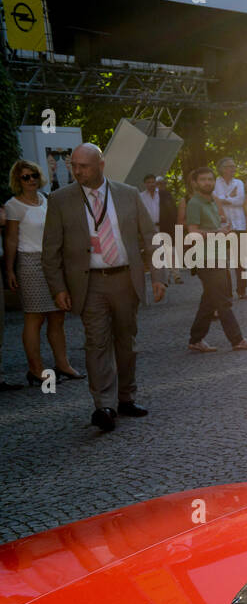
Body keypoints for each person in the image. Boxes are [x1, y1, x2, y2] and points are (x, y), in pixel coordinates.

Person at [40, 143, 166, 432]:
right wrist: (58, 287)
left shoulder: (128, 194)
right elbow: (51, 250)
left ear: (101, 165)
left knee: (126, 342)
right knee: (96, 343)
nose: (77, 171)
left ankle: (125, 398)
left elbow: (151, 236)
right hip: (89, 282)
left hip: (125, 278)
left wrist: (159, 275)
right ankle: (104, 406)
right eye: (74, 165)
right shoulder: (60, 200)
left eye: (83, 166)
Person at [6, 159, 82, 386]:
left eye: (34, 176)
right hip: (29, 264)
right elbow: (10, 239)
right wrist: (9, 270)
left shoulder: (46, 200)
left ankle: (63, 364)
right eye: (25, 177)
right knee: (34, 318)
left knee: (58, 317)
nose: (30, 180)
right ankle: (36, 369)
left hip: (52, 262)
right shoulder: (13, 205)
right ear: (18, 181)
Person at [184, 166, 247, 355]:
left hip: (217, 255)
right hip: (206, 258)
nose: (207, 183)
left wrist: (223, 229)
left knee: (210, 300)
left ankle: (195, 340)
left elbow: (214, 226)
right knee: (223, 300)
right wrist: (216, 232)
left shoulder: (211, 202)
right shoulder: (194, 203)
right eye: (203, 179)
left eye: (210, 179)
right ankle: (237, 340)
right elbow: (192, 232)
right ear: (195, 183)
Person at [214, 158, 247, 298]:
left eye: (234, 166)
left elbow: (241, 200)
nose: (233, 169)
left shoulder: (239, 183)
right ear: (222, 169)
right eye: (230, 167)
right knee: (223, 260)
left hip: (239, 224)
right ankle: (227, 291)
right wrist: (230, 196)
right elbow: (215, 200)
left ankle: (241, 290)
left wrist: (224, 199)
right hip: (223, 226)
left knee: (240, 260)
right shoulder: (215, 183)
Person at [139, 173, 180, 283]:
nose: (151, 184)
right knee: (156, 252)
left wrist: (174, 224)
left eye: (153, 182)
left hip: (165, 226)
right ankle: (164, 277)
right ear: (145, 184)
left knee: (170, 250)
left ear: (156, 183)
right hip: (150, 228)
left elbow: (172, 210)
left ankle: (176, 274)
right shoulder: (141, 196)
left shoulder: (164, 194)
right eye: (148, 182)